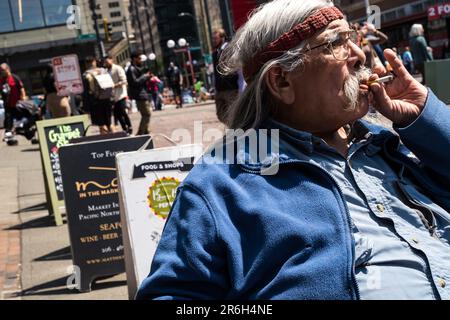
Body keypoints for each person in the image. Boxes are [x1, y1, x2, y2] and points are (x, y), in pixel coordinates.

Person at [137, 0, 450, 300]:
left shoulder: (388, 144)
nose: (359, 56)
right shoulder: (222, 184)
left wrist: (425, 117)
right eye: (336, 43)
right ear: (282, 80)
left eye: (353, 39)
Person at [212, 28, 239, 124]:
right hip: (219, 89)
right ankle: (235, 128)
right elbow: (215, 72)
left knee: (233, 113)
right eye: (213, 38)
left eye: (216, 38)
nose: (214, 40)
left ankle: (237, 131)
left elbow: (236, 67)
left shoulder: (229, 49)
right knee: (220, 115)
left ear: (222, 38)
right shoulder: (215, 53)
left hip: (230, 88)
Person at [82, 57, 114, 135]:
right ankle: (114, 136)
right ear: (94, 62)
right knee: (109, 121)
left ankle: (105, 140)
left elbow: (85, 92)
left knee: (101, 124)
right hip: (106, 98)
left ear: (86, 64)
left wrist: (86, 107)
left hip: (95, 101)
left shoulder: (86, 74)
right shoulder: (103, 71)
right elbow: (110, 85)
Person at [104, 56, 133, 135]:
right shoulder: (106, 71)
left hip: (121, 94)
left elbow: (124, 81)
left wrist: (115, 85)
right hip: (113, 96)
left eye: (107, 62)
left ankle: (129, 127)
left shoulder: (118, 68)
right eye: (105, 62)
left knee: (122, 111)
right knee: (117, 114)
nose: (106, 63)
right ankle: (124, 128)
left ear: (111, 60)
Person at [127, 52, 152, 135]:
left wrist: (147, 77)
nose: (141, 60)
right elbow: (135, 82)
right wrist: (145, 76)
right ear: (134, 59)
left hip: (142, 93)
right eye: (139, 58)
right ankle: (141, 131)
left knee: (146, 114)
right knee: (147, 114)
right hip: (139, 95)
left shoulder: (136, 68)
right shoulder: (131, 69)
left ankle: (145, 130)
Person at [0, 63, 26, 140]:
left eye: (2, 70)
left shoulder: (14, 77)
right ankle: (8, 133)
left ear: (7, 69)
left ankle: (27, 131)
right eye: (0, 70)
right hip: (7, 103)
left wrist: (23, 97)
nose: (1, 72)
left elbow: (21, 88)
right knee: (8, 118)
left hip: (17, 103)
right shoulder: (1, 80)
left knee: (22, 117)